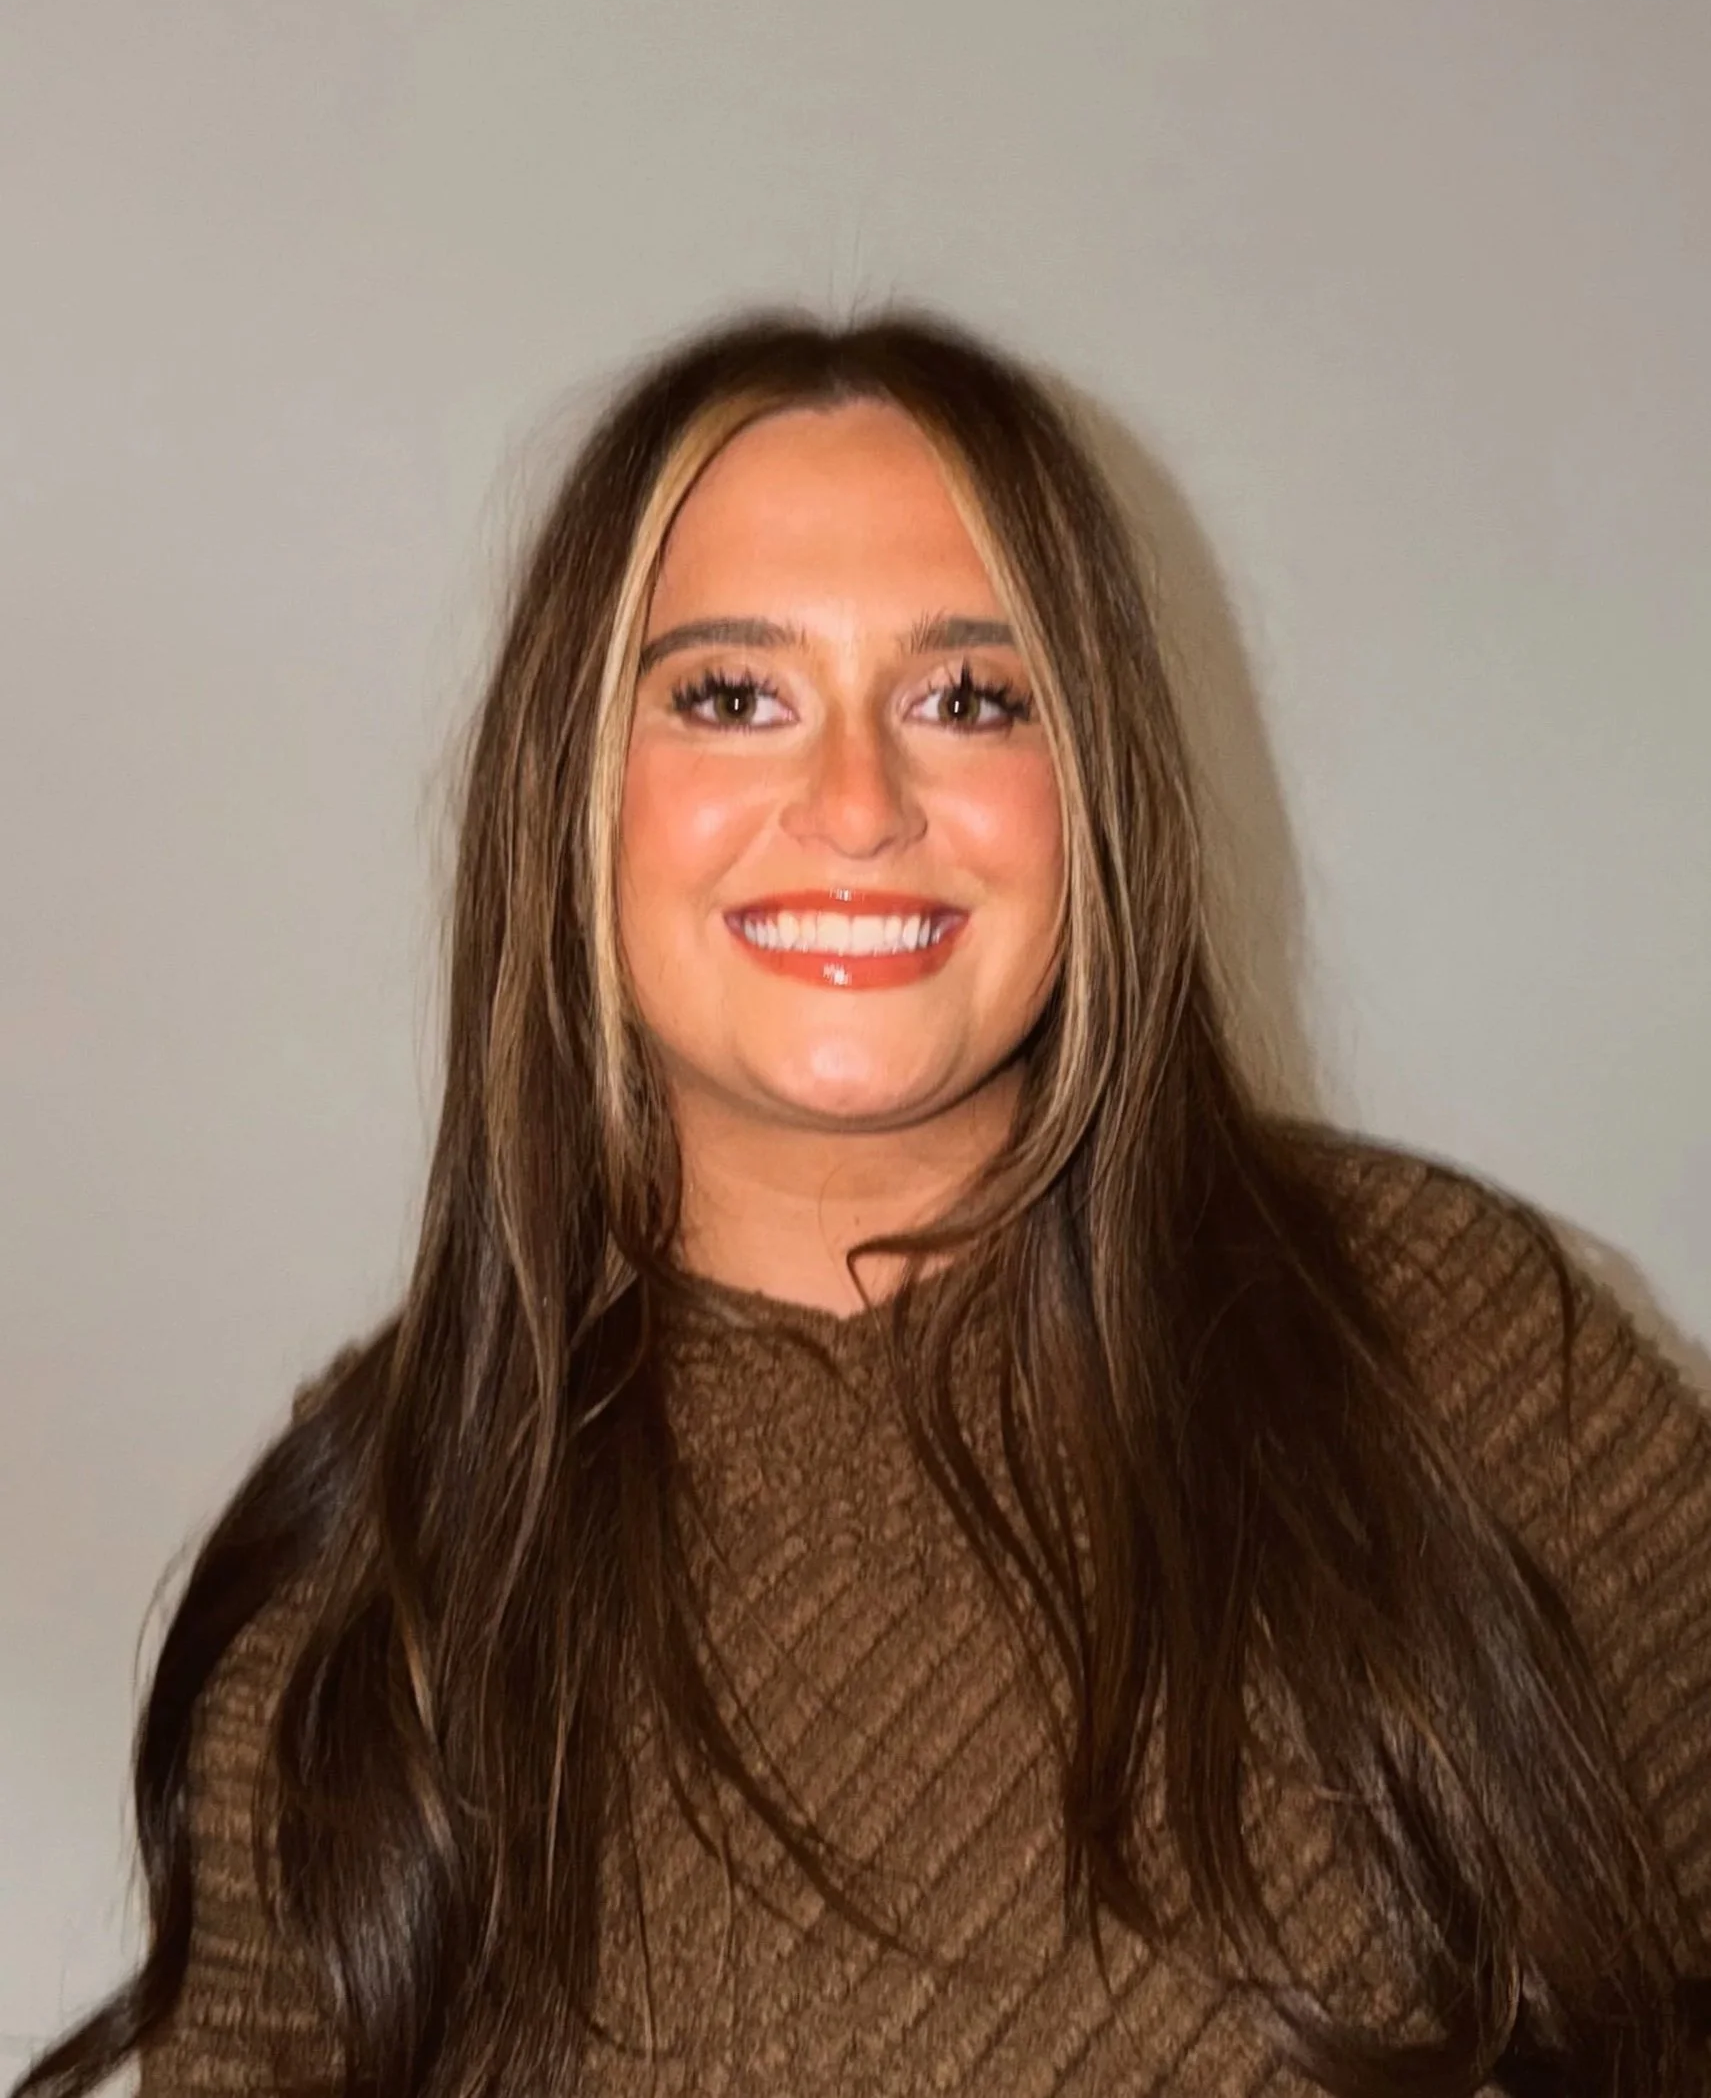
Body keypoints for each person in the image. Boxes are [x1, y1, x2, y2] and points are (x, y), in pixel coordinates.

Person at [17, 313, 1710, 2098]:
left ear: (1093, 789)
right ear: (570, 791)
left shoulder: (1447, 1347)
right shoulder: (374, 1576)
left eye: (967, 699)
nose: (856, 806)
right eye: (730, 697)